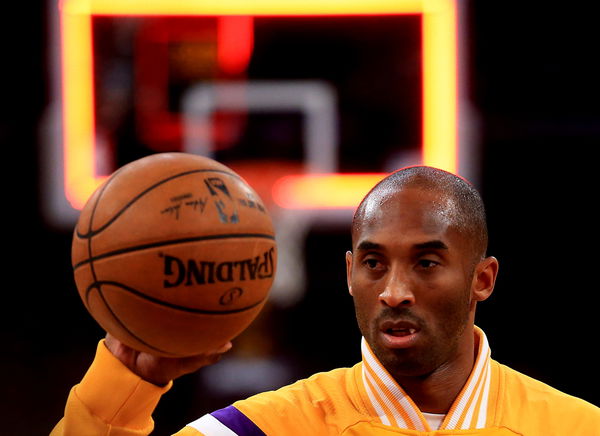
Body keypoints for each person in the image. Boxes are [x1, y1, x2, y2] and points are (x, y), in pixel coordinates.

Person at [52, 166, 599, 435]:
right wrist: (125, 383)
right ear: (347, 272)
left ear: (483, 279)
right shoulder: (259, 430)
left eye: (426, 263)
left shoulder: (578, 427)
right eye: (373, 262)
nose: (394, 291)